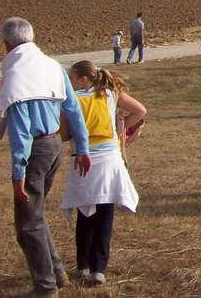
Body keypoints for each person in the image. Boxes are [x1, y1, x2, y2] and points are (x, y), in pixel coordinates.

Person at [0, 17, 91, 297]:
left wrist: (18, 173)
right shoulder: (53, 66)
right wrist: (82, 147)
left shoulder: (14, 77)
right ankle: (58, 274)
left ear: (6, 45)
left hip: (34, 151)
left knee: (27, 223)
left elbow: (21, 131)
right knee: (35, 215)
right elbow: (73, 109)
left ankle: (46, 287)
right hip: (53, 147)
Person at [60, 61, 145, 288]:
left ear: (83, 79)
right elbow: (140, 110)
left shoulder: (72, 100)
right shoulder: (112, 93)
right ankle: (99, 269)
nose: (71, 82)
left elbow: (65, 135)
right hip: (109, 159)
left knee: (85, 214)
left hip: (83, 160)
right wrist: (121, 130)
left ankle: (83, 265)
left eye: (72, 78)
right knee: (105, 215)